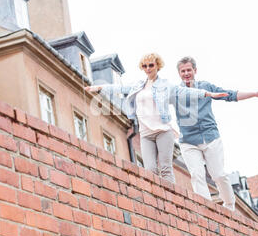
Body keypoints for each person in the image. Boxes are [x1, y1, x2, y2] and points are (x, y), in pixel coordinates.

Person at [85, 53, 229, 183]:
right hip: (146, 133)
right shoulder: (138, 85)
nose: (148, 69)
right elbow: (119, 88)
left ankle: (172, 202)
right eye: (145, 66)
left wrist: (208, 94)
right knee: (150, 170)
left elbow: (185, 91)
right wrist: (99, 87)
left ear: (157, 66)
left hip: (163, 131)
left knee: (165, 169)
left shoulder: (165, 85)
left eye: (151, 65)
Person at [175, 56, 258, 211]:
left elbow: (229, 95)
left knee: (218, 175)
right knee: (197, 175)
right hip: (188, 140)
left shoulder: (206, 86)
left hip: (210, 136)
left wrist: (254, 93)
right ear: (179, 73)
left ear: (195, 70)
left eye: (189, 70)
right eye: (183, 71)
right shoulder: (176, 92)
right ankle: (205, 208)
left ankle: (229, 206)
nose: (186, 73)